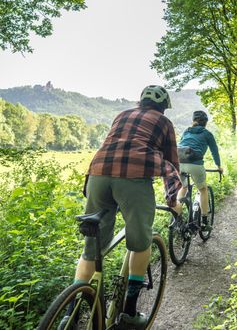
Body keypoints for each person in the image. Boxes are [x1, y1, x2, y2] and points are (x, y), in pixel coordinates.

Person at [61, 85, 181, 330]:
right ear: (163, 107)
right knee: (140, 243)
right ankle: (129, 312)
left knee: (92, 248)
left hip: (98, 173)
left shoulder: (121, 115)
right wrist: (173, 201)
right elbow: (171, 161)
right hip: (133, 178)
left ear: (140, 102)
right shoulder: (164, 122)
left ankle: (69, 314)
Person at [177, 111, 223, 231]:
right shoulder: (207, 134)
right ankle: (204, 222)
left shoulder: (186, 131)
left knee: (183, 187)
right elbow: (214, 151)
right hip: (195, 164)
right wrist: (219, 166)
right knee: (203, 189)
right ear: (205, 123)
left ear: (193, 121)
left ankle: (176, 217)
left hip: (178, 164)